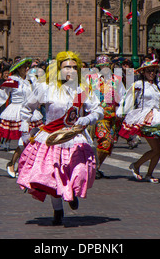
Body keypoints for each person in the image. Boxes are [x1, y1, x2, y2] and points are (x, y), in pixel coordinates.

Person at [16, 51, 103, 225]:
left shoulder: (82, 89)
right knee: (52, 177)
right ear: (58, 69)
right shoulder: (46, 87)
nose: (70, 70)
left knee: (78, 172)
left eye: (73, 67)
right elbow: (27, 108)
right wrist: (25, 130)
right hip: (50, 138)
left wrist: (86, 119)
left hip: (74, 138)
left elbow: (98, 110)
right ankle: (57, 210)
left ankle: (70, 194)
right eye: (66, 67)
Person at [0, 58, 43, 178]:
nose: (27, 69)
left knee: (32, 140)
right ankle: (12, 163)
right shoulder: (12, 81)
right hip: (17, 112)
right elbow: (2, 96)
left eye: (28, 67)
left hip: (30, 112)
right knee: (24, 141)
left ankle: (21, 165)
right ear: (19, 69)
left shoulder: (31, 81)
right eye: (24, 67)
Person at [117, 60, 160, 183]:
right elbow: (128, 98)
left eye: (153, 71)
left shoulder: (159, 86)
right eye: (148, 71)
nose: (151, 73)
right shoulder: (138, 85)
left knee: (159, 150)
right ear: (143, 72)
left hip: (159, 117)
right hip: (145, 117)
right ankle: (136, 165)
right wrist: (122, 111)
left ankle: (149, 174)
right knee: (155, 149)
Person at [87, 54, 125, 179]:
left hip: (112, 116)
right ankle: (93, 168)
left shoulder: (116, 80)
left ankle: (96, 168)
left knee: (109, 144)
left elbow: (123, 95)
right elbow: (84, 94)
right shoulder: (91, 79)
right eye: (101, 66)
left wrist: (121, 109)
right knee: (105, 141)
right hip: (98, 116)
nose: (104, 68)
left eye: (106, 65)